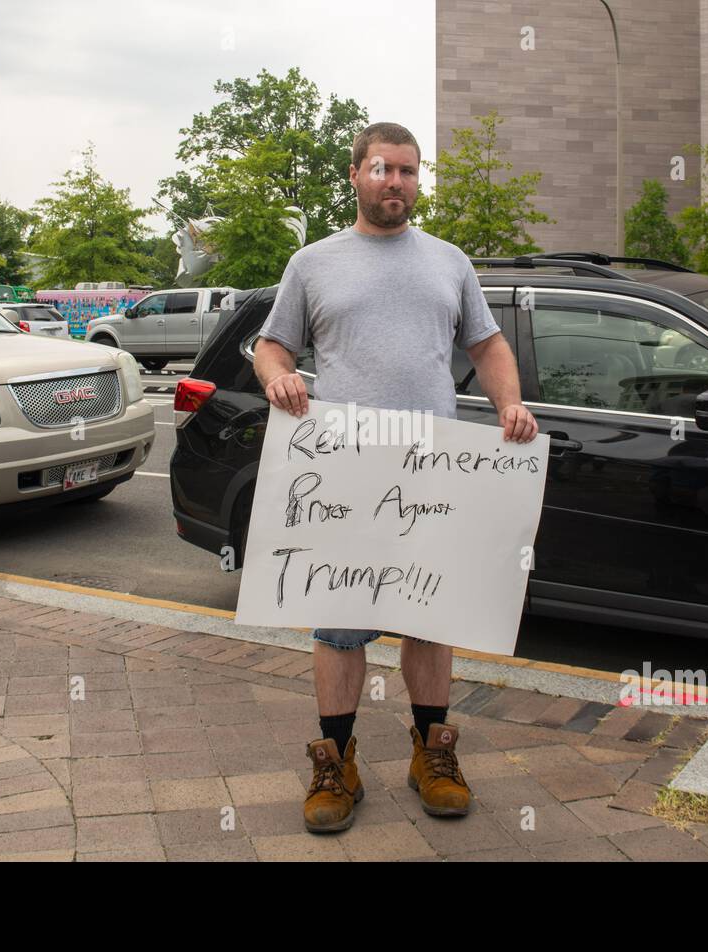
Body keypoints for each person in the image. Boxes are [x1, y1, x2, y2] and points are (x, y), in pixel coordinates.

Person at [253, 121, 539, 833]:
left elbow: (487, 341)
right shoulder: (314, 263)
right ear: (354, 174)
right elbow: (270, 345)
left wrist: (510, 402)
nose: (397, 184)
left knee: (428, 614)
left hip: (431, 469)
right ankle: (336, 762)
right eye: (383, 170)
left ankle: (431, 752)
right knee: (342, 622)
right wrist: (279, 378)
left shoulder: (449, 262)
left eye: (408, 172)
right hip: (346, 471)